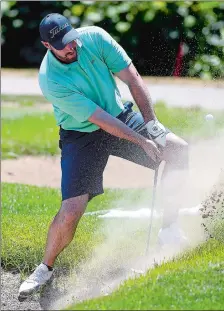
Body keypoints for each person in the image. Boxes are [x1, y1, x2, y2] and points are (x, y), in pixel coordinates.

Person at [18, 13, 189, 299]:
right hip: (81, 134)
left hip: (121, 114)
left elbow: (132, 79)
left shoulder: (95, 38)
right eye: (62, 45)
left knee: (179, 150)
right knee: (71, 210)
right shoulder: (50, 80)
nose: (71, 47)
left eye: (71, 39)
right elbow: (100, 120)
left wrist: (153, 127)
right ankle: (45, 268)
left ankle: (169, 231)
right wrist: (142, 141)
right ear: (48, 46)